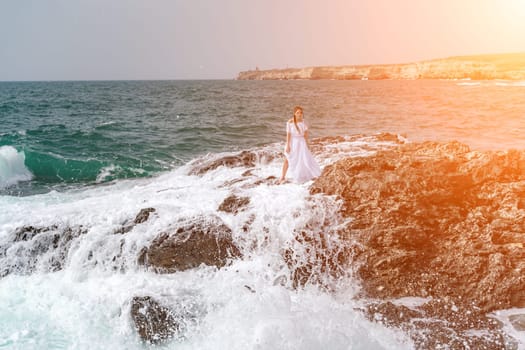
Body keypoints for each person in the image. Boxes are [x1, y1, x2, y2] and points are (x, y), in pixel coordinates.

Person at [278, 106, 321, 184]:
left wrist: (307, 144)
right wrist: (288, 145)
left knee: (303, 160)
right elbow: (288, 135)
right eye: (298, 112)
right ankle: (282, 176)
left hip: (301, 143)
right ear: (294, 114)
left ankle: (302, 176)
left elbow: (306, 135)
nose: (300, 114)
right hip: (292, 142)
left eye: (301, 113)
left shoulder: (304, 122)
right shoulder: (290, 122)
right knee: (287, 159)